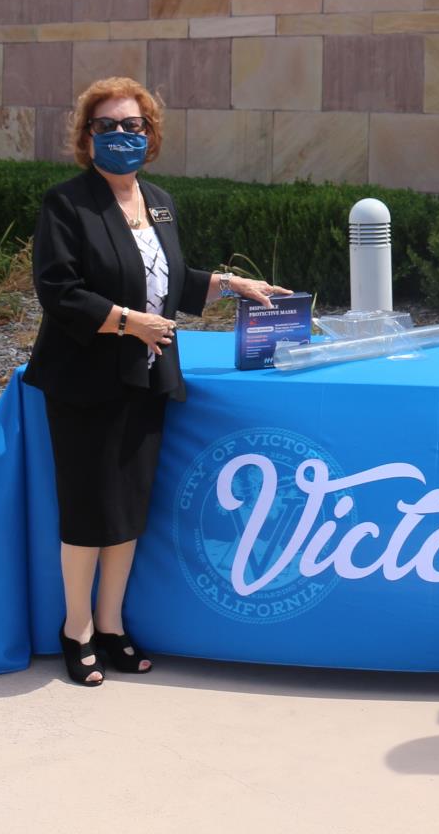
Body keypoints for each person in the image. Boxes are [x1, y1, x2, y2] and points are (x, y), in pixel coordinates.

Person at [25, 76, 289, 687]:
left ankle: (113, 624)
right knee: (89, 515)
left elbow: (169, 278)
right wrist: (123, 322)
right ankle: (78, 629)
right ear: (87, 137)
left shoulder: (161, 201)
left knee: (128, 514)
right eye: (108, 126)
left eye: (132, 126)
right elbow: (59, 291)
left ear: (151, 135)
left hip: (147, 378)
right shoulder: (67, 204)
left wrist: (230, 284)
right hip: (86, 382)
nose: (121, 136)